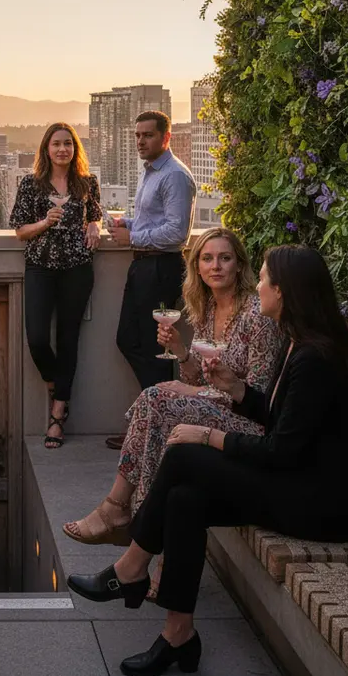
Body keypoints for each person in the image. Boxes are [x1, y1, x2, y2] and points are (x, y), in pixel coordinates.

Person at [67, 245, 348, 676]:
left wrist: (210, 436)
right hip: (305, 483)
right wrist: (236, 388)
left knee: (185, 457)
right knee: (184, 499)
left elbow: (280, 450)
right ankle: (178, 633)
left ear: (285, 293)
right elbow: (279, 421)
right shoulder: (301, 344)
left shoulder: (314, 358)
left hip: (330, 506)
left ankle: (132, 566)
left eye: (266, 279)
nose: (260, 286)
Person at [63, 228, 284, 562]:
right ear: (197, 267)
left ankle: (119, 512)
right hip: (217, 411)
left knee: (157, 401)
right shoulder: (208, 309)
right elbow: (198, 376)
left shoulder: (256, 316)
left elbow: (257, 398)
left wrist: (190, 391)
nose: (216, 266)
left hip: (248, 427)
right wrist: (180, 351)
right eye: (207, 259)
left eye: (225, 258)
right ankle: (146, 541)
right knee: (159, 413)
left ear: (240, 265)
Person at [10, 122, 103, 448]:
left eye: (68, 144)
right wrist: (45, 222)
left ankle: (58, 413)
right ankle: (54, 382)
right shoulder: (31, 185)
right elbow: (20, 230)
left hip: (77, 269)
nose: (63, 149)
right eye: (56, 144)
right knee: (36, 337)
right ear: (46, 150)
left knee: (68, 339)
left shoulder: (87, 183)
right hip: (40, 267)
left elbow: (95, 214)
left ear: (75, 149)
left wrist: (93, 224)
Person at [108, 111, 195, 449]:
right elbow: (152, 220)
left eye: (148, 135)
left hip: (161, 269)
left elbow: (177, 232)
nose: (141, 141)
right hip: (144, 266)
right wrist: (128, 224)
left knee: (151, 348)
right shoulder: (151, 173)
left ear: (166, 137)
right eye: (137, 135)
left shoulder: (174, 175)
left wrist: (133, 239)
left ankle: (154, 430)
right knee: (130, 340)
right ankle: (154, 423)